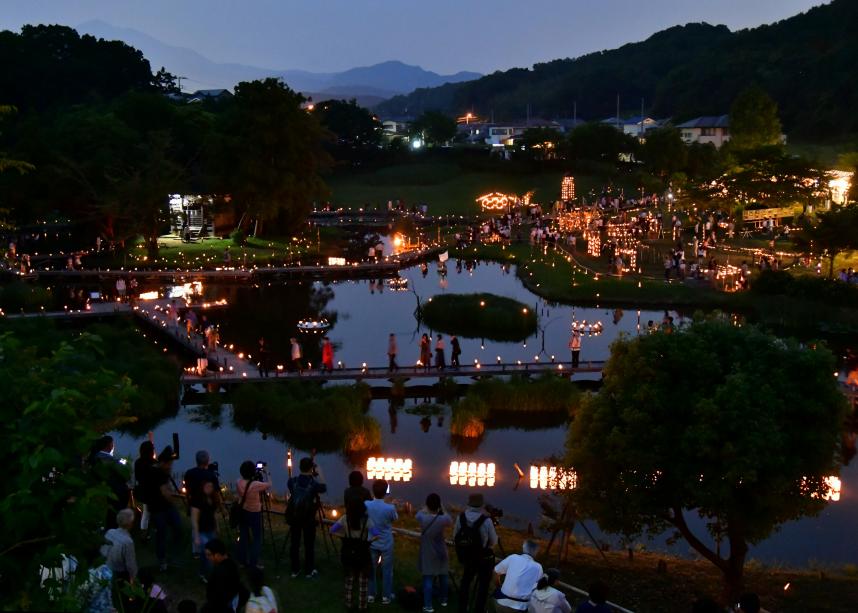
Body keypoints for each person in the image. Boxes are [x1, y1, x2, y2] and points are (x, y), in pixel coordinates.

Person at [331, 497, 380, 611]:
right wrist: (369, 542)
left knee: (349, 578)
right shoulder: (367, 520)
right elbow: (376, 534)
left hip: (348, 552)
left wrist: (343, 537)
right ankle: (362, 605)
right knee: (363, 580)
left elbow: (332, 530)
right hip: (363, 553)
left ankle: (349, 603)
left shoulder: (344, 518)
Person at [454, 493, 498, 613]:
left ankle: (462, 608)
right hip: (482, 558)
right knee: (483, 585)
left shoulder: (460, 517)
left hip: (467, 556)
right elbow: (493, 541)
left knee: (466, 582)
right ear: (481, 506)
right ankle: (479, 609)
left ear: (469, 504)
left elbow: (455, 536)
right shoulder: (487, 521)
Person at [286, 457, 327, 578]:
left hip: (294, 516)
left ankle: (295, 569)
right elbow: (324, 487)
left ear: (299, 467)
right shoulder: (313, 484)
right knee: (309, 544)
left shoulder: (291, 481)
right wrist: (320, 473)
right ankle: (309, 570)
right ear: (311, 468)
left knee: (294, 543)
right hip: (309, 518)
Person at [146, 447, 182, 571]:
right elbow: (165, 492)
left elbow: (167, 488)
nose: (170, 466)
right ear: (164, 462)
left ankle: (171, 556)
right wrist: (176, 501)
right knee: (162, 533)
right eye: (170, 464)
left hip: (164, 507)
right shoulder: (157, 473)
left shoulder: (162, 472)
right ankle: (163, 560)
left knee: (177, 527)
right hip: (158, 508)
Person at [416, 493, 452, 613]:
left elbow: (417, 514)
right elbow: (449, 519)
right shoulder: (443, 519)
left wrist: (425, 508)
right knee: (443, 576)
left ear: (427, 505)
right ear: (438, 505)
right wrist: (442, 508)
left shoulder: (422, 517)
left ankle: (428, 605)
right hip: (441, 551)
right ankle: (444, 599)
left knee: (428, 578)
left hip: (427, 552)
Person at [365, 479, 398, 604]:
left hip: (372, 541)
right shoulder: (390, 508)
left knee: (371, 569)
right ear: (386, 492)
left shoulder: (367, 504)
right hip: (386, 542)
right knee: (387, 570)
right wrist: (390, 504)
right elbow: (394, 518)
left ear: (373, 490)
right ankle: (386, 596)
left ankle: (371, 595)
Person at [236, 461, 272, 569]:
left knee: (243, 536)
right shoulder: (256, 485)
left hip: (243, 511)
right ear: (252, 472)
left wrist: (252, 475)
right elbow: (269, 485)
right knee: (257, 538)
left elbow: (245, 480)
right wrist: (267, 472)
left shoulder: (238, 482)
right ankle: (254, 562)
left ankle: (242, 561)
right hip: (254, 513)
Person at [493, 540, 543, 613]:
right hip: (520, 608)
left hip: (501, 603)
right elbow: (537, 587)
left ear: (523, 547)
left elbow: (495, 572)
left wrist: (498, 586)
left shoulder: (513, 557)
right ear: (536, 552)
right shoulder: (538, 567)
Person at [92, 435, 129, 529]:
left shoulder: (105, 457)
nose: (113, 446)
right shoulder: (103, 457)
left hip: (114, 488)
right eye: (112, 444)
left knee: (113, 511)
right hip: (114, 488)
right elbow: (123, 463)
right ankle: (114, 529)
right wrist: (124, 461)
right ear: (109, 445)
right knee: (115, 511)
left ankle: (112, 528)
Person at [204, 538, 247, 613]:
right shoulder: (231, 562)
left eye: (209, 555)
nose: (207, 557)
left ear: (217, 555)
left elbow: (218, 595)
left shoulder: (220, 572)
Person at [192, 479, 221, 579]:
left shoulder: (212, 500)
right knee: (207, 553)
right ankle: (206, 574)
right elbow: (194, 519)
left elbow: (214, 514)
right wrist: (196, 535)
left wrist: (217, 527)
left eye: (211, 487)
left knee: (212, 553)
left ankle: (206, 573)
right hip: (201, 531)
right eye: (207, 486)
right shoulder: (197, 500)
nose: (209, 489)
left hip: (211, 530)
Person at [102, 508, 138, 584]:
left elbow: (103, 550)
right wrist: (134, 578)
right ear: (130, 524)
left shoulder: (110, 532)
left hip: (105, 568)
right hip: (118, 573)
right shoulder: (128, 542)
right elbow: (130, 564)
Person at [134, 440, 156, 532]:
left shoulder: (138, 462)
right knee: (148, 512)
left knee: (146, 512)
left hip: (142, 491)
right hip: (153, 492)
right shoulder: (154, 463)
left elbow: (137, 477)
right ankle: (149, 530)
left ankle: (144, 530)